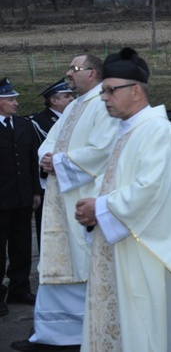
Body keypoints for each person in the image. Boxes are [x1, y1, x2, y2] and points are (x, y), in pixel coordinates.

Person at [74, 47, 171, 351]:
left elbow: (149, 190)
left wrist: (100, 207)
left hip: (148, 253)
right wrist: (95, 205)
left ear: (136, 92)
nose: (104, 97)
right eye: (103, 91)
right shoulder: (128, 130)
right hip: (125, 247)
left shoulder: (156, 131)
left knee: (148, 329)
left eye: (110, 90)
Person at [12, 55, 121, 352]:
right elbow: (50, 141)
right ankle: (50, 333)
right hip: (61, 196)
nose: (68, 74)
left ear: (94, 73)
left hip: (82, 196)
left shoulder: (104, 104)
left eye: (75, 69)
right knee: (57, 262)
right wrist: (45, 158)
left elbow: (103, 149)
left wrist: (58, 162)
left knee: (82, 263)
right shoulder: (73, 106)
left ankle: (84, 331)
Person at [0, 78, 41, 319]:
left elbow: (31, 161)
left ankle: (19, 289)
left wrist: (36, 191)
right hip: (1, 201)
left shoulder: (24, 126)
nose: (16, 103)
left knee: (22, 247)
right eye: (11, 100)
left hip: (23, 198)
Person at [26, 79, 75, 250]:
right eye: (67, 96)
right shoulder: (38, 122)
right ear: (54, 101)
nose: (72, 99)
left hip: (74, 180)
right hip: (49, 182)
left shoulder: (75, 118)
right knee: (49, 230)